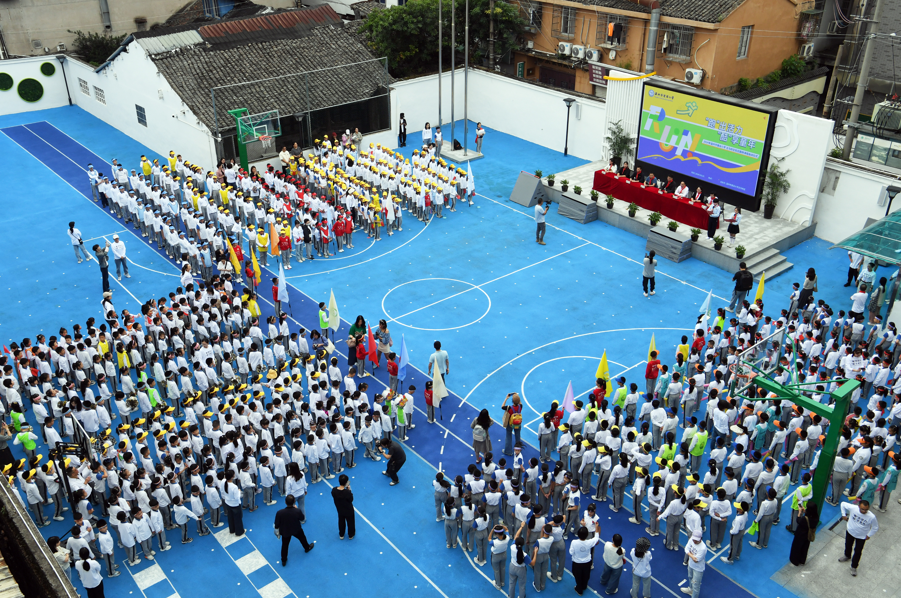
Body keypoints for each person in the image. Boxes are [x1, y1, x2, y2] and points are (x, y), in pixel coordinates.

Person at [838, 499, 878, 576]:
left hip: (862, 536)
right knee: (848, 545)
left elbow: (875, 527)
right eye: (862, 509)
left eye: (866, 510)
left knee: (858, 551)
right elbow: (842, 504)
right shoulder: (853, 508)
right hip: (850, 531)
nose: (864, 511)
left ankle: (854, 567)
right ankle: (847, 556)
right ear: (859, 506)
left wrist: (869, 535)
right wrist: (844, 515)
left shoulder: (871, 517)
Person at [274, 494, 315, 566]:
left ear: (285, 502)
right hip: (296, 529)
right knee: (302, 538)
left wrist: (277, 532)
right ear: (294, 502)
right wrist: (296, 509)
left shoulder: (279, 512)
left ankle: (284, 560)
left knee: (285, 545)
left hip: (285, 531)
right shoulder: (297, 511)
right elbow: (302, 518)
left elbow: (276, 524)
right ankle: (307, 548)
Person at [570, 526, 599, 596]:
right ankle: (584, 586)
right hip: (587, 563)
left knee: (578, 576)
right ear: (587, 535)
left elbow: (571, 552)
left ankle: (579, 590)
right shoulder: (589, 542)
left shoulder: (574, 542)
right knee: (586, 575)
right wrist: (597, 529)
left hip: (577, 563)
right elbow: (596, 538)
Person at [682, 530, 707, 597]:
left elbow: (697, 560)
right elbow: (686, 549)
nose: (694, 541)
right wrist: (692, 556)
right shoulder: (692, 540)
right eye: (694, 539)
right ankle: (690, 590)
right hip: (690, 564)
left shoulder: (703, 548)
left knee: (696, 585)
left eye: (696, 540)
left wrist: (689, 554)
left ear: (700, 539)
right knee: (690, 577)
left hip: (698, 569)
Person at [331, 474, 355, 540]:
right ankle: (351, 534)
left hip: (340, 510)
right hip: (348, 510)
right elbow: (351, 499)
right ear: (346, 483)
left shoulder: (334, 490)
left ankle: (341, 534)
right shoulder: (347, 492)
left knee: (341, 521)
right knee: (350, 522)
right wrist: (349, 490)